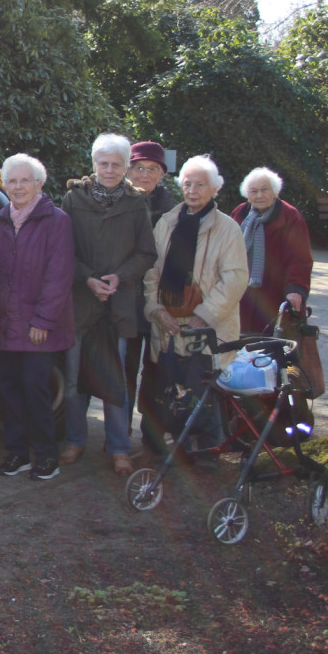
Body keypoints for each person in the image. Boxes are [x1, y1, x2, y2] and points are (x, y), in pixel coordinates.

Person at [59, 135, 157, 477]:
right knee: (73, 379)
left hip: (118, 305)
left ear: (125, 166)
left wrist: (119, 277)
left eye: (117, 164)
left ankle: (119, 447)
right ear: (94, 165)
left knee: (116, 381)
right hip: (81, 302)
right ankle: (74, 439)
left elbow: (147, 253)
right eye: (104, 163)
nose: (110, 170)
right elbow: (61, 251)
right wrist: (87, 279)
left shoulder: (135, 203)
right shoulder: (73, 199)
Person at [142, 155, 248, 458]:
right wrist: (156, 310)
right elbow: (151, 272)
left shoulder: (228, 229)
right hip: (168, 325)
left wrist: (206, 315)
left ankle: (205, 456)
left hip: (207, 328)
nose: (192, 190)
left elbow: (235, 279)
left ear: (213, 189)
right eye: (187, 184)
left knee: (202, 393)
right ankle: (172, 450)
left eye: (200, 184)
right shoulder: (167, 222)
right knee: (169, 389)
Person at [0, 153, 74, 482]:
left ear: (40, 184)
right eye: (12, 180)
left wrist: (43, 321)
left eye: (26, 180)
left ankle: (46, 455)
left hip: (39, 327)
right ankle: (18, 453)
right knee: (8, 390)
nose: (18, 186)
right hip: (6, 325)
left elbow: (59, 275)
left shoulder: (57, 221)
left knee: (36, 390)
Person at [125, 141, 176, 457]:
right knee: (125, 368)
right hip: (126, 301)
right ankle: (119, 431)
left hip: (159, 302)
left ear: (161, 174)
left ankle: (153, 432)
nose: (144, 174)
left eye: (152, 169)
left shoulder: (173, 210)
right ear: (129, 170)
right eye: (139, 167)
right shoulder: (118, 201)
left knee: (157, 370)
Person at [231, 167, 313, 335]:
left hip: (274, 292)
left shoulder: (290, 216)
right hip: (241, 293)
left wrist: (296, 290)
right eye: (254, 191)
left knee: (273, 346)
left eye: (264, 190)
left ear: (275, 192)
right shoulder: (239, 213)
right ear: (247, 194)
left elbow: (300, 258)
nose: (259, 195)